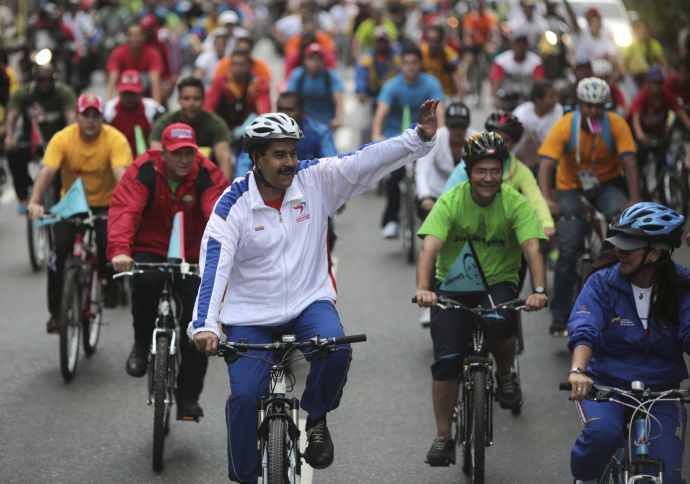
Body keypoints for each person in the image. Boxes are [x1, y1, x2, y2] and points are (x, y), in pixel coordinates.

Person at [190, 100, 440, 483]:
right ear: (256, 158)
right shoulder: (232, 207)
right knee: (243, 398)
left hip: (309, 303)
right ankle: (245, 477)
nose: (290, 162)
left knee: (337, 349)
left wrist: (418, 139)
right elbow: (214, 270)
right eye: (278, 155)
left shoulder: (316, 180)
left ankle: (317, 417)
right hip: (249, 316)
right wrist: (205, 326)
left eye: (293, 153)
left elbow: (366, 160)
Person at [414, 131, 548, 466]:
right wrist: (423, 288)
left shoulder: (514, 202)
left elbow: (532, 247)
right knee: (446, 359)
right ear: (468, 170)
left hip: (498, 281)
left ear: (503, 170)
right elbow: (429, 247)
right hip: (455, 282)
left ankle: (504, 373)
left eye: (494, 170)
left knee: (501, 322)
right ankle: (444, 437)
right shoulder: (452, 200)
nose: (488, 178)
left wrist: (539, 290)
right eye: (480, 171)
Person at [108, 123, 228, 419]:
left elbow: (219, 214)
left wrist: (221, 255)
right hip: (151, 246)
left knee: (197, 321)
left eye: (189, 153)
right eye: (176, 154)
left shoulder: (207, 172)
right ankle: (140, 344)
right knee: (145, 285)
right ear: (162, 153)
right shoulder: (145, 169)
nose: (184, 160)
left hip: (191, 252)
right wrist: (121, 250)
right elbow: (126, 210)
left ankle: (187, 396)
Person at [566, 202, 690, 484]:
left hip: (662, 392)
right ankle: (584, 479)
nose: (618, 250)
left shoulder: (684, 285)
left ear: (654, 253)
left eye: (628, 245)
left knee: (666, 478)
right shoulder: (601, 282)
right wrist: (578, 371)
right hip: (606, 386)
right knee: (602, 435)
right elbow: (585, 328)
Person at [538, 77, 640, 337]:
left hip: (605, 184)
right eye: (588, 106)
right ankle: (560, 316)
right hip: (570, 187)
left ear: (606, 106)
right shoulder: (565, 126)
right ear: (580, 104)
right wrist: (548, 200)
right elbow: (546, 166)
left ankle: (621, 308)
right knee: (569, 246)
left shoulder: (616, 123)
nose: (594, 111)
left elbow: (630, 163)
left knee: (622, 237)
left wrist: (634, 198)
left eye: (599, 106)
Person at [27, 94, 133, 333]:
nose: (91, 121)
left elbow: (121, 175)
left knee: (109, 244)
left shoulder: (114, 139)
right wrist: (34, 202)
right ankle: (56, 314)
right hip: (73, 203)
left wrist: (129, 207)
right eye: (86, 115)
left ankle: (111, 284)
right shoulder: (63, 138)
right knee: (59, 251)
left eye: (96, 116)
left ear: (102, 118)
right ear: (76, 116)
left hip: (107, 204)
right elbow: (47, 172)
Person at [372, 47, 446, 239]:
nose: (411, 67)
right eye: (407, 63)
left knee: (431, 176)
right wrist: (376, 134)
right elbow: (381, 113)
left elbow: (441, 112)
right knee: (394, 178)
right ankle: (391, 220)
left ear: (420, 64)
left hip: (424, 139)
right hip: (397, 140)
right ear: (401, 65)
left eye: (414, 62)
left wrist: (442, 133)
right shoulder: (392, 86)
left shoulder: (431, 84)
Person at [444, 110, 554, 237]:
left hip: (506, 235)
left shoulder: (520, 171)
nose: (498, 144)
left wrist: (547, 223)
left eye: (505, 140)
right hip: (471, 231)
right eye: (495, 137)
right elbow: (447, 200)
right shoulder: (468, 165)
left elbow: (536, 199)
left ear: (514, 144)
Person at [4, 64, 77, 212]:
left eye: (49, 80)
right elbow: (12, 115)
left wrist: (70, 140)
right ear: (34, 79)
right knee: (13, 153)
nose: (45, 83)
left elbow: (71, 117)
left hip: (58, 142)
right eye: (41, 79)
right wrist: (9, 137)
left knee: (60, 173)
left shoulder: (64, 92)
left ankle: (59, 203)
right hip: (32, 141)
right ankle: (24, 195)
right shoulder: (24, 92)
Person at [149, 77, 234, 183]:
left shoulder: (217, 124)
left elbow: (225, 159)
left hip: (207, 182)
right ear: (178, 99)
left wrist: (224, 194)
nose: (191, 103)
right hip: (171, 181)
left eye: (196, 98)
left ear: (203, 99)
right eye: (186, 98)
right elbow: (155, 158)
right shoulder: (163, 124)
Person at [415, 102, 477, 219]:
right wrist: (425, 196)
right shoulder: (435, 138)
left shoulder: (477, 139)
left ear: (468, 125)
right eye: (454, 126)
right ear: (447, 126)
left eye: (462, 126)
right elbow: (422, 169)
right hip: (436, 194)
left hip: (468, 195)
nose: (458, 130)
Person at [627, 66, 690, 177]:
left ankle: (663, 190)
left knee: (663, 160)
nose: (657, 86)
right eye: (654, 83)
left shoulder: (667, 96)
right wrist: (640, 134)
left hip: (658, 133)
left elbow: (680, 113)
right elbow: (635, 117)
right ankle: (637, 178)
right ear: (647, 83)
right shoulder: (642, 96)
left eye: (659, 83)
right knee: (640, 157)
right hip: (643, 133)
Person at [204, 49, 272, 133]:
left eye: (242, 64)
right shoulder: (220, 82)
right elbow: (209, 108)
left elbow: (264, 112)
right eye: (234, 64)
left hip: (250, 132)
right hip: (222, 129)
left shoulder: (259, 84)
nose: (237, 69)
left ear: (250, 65)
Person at [104, 69, 166, 157]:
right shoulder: (108, 110)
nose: (129, 97)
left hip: (146, 160)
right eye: (126, 93)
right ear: (119, 92)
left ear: (141, 92)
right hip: (115, 158)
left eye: (132, 93)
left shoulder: (154, 109)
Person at [286, 43, 344, 130]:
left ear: (323, 61)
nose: (315, 63)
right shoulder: (298, 74)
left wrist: (338, 119)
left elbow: (338, 99)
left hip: (326, 122)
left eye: (318, 59)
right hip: (304, 122)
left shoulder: (330, 76)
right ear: (305, 60)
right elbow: (289, 98)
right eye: (311, 58)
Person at [512, 79, 563, 171]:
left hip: (548, 160)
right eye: (551, 97)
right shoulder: (521, 114)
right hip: (519, 161)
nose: (556, 100)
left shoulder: (558, 111)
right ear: (538, 99)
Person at [105, 23, 163, 102]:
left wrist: (157, 104)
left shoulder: (152, 53)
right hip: (124, 95)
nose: (135, 38)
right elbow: (112, 79)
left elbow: (155, 81)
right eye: (131, 35)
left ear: (144, 37)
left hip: (146, 95)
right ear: (126, 37)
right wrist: (109, 101)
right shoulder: (118, 53)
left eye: (138, 35)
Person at [489, 32, 545, 110]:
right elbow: (495, 82)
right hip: (506, 98)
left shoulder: (536, 62)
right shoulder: (501, 61)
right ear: (513, 45)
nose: (520, 47)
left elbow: (539, 84)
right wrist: (496, 99)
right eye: (518, 44)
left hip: (526, 99)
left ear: (527, 46)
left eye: (523, 44)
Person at [420, 25, 463, 102]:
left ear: (441, 41)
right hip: (424, 95)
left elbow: (457, 78)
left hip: (445, 95)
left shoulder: (451, 55)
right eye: (429, 40)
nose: (432, 44)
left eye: (435, 40)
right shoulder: (420, 53)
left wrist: (461, 101)